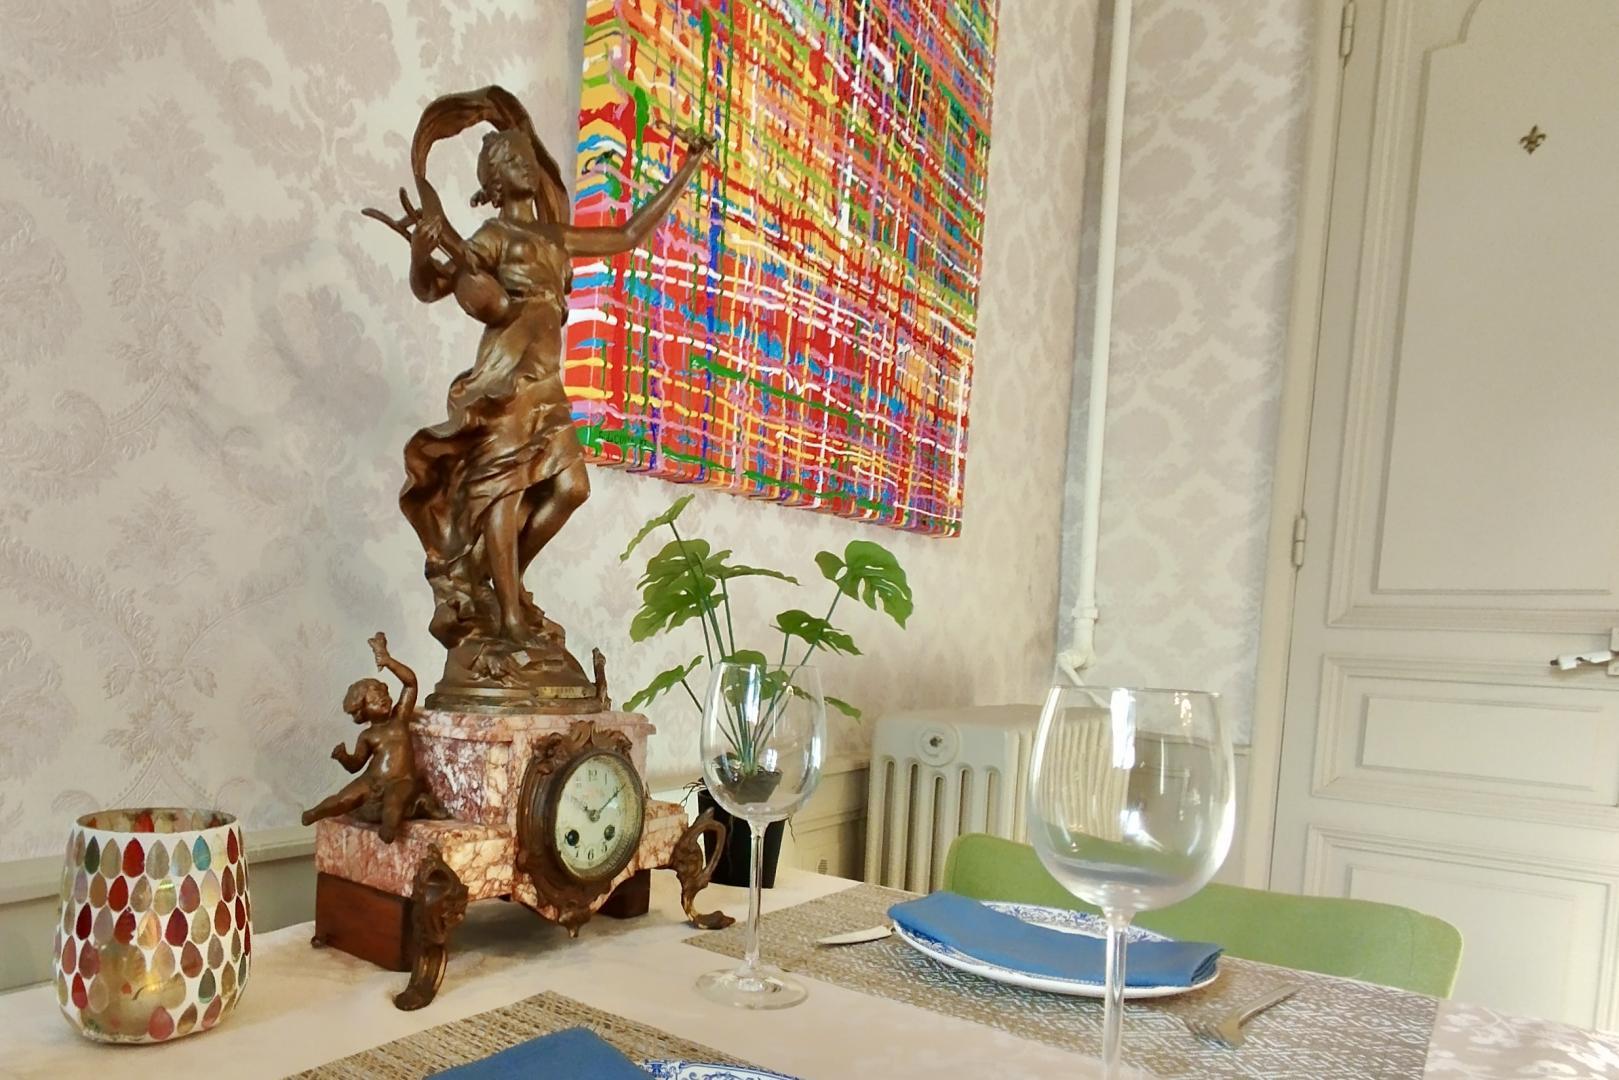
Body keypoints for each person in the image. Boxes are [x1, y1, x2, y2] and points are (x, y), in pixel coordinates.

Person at [301, 633, 449, 843]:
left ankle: (388, 829)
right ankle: (315, 813)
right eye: (374, 700)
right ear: (362, 710)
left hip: (401, 780)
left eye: (384, 695)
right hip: (372, 779)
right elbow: (356, 765)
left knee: (394, 802)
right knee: (345, 797)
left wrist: (388, 661)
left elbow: (410, 684)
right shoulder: (368, 735)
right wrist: (344, 757)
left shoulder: (399, 718)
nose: (383, 699)